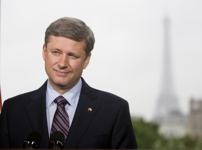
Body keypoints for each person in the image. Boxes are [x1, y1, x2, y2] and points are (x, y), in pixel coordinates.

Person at [0, 17, 137, 149]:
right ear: (44, 52)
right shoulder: (12, 110)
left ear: (86, 60)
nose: (62, 63)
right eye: (56, 52)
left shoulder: (114, 110)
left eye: (72, 55)